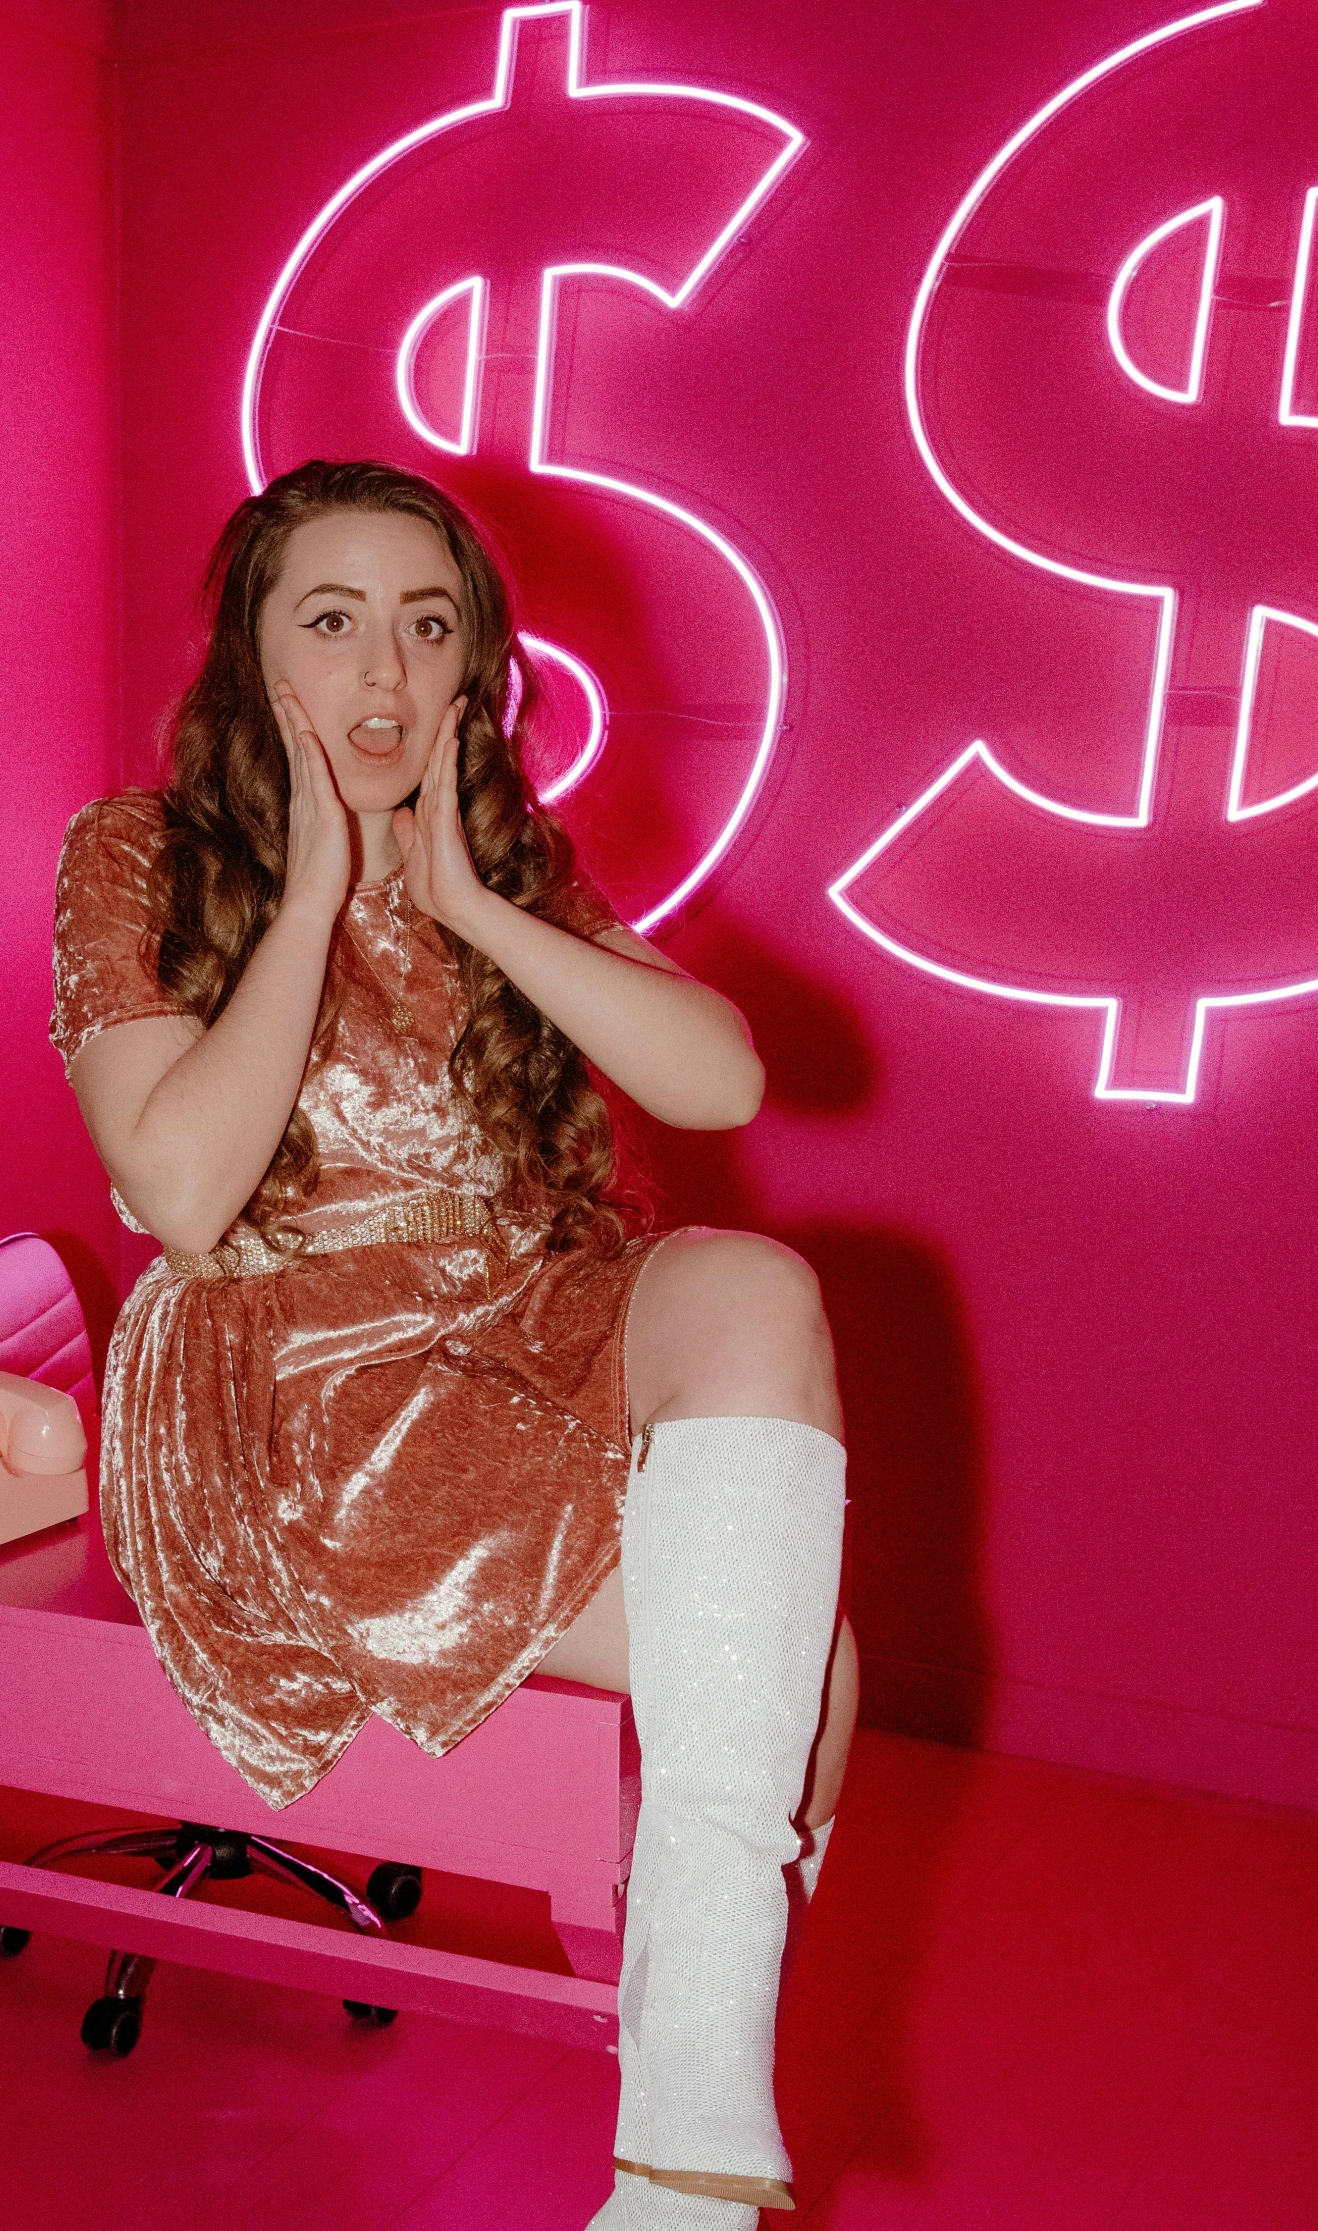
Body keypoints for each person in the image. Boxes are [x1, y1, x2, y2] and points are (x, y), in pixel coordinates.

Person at [49, 458, 859, 2226]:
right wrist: (318, 893)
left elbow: (719, 1075)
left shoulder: (506, 861)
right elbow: (180, 1191)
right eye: (328, 622)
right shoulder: (139, 850)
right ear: (248, 659)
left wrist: (474, 900)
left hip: (514, 1317)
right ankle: (687, 2179)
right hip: (288, 1379)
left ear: (477, 665)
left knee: (754, 1291)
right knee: (803, 1673)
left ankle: (680, 2171)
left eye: (428, 626)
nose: (384, 674)